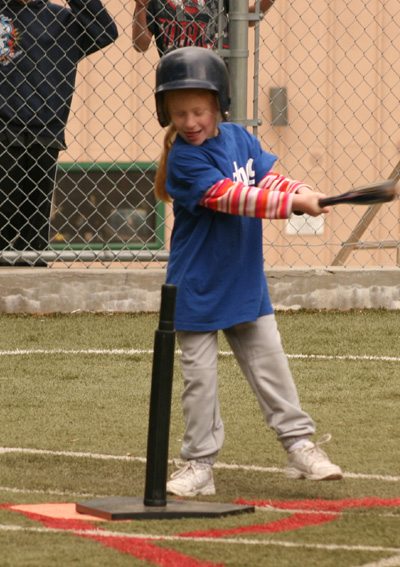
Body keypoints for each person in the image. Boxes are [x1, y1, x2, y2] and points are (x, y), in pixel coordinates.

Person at [153, 46, 342, 497]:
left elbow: (265, 180)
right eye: (179, 113)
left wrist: (300, 189)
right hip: (196, 286)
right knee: (200, 382)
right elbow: (233, 197)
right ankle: (199, 465)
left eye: (198, 110)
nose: (190, 122)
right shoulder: (184, 160)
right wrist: (292, 204)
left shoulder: (239, 136)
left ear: (219, 104)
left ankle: (299, 448)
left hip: (243, 279)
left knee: (270, 367)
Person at [0, 0, 118, 265]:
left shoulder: (62, 20)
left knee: (34, 233)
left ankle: (31, 294)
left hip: (46, 134)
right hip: (3, 133)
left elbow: (106, 31)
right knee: (3, 216)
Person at [132, 0, 275, 56]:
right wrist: (141, 6)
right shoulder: (157, 2)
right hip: (176, 80)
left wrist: (267, 2)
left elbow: (245, 19)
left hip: (215, 77)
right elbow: (140, 44)